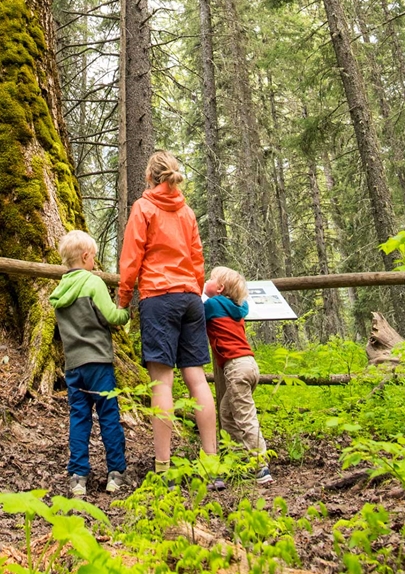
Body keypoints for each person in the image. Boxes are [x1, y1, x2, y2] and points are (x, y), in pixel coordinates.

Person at [118, 150, 217, 473]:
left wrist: (122, 298)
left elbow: (132, 256)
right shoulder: (186, 212)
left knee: (162, 383)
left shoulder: (144, 207)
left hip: (158, 297)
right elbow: (197, 256)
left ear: (149, 177)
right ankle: (211, 461)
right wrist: (196, 289)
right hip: (190, 297)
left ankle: (163, 465)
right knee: (198, 379)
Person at [50, 229, 130, 497]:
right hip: (98, 362)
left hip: (73, 365)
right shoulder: (93, 283)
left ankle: (78, 477)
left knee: (79, 417)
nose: (94, 261)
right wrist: (125, 312)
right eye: (93, 256)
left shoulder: (60, 290)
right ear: (85, 256)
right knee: (108, 415)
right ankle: (116, 473)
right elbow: (110, 316)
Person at [204, 266, 272, 485]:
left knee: (245, 416)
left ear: (220, 287)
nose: (207, 280)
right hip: (249, 365)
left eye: (211, 278)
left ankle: (261, 466)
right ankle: (240, 458)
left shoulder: (213, 305)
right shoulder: (238, 308)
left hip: (236, 368)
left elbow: (196, 312)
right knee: (227, 413)